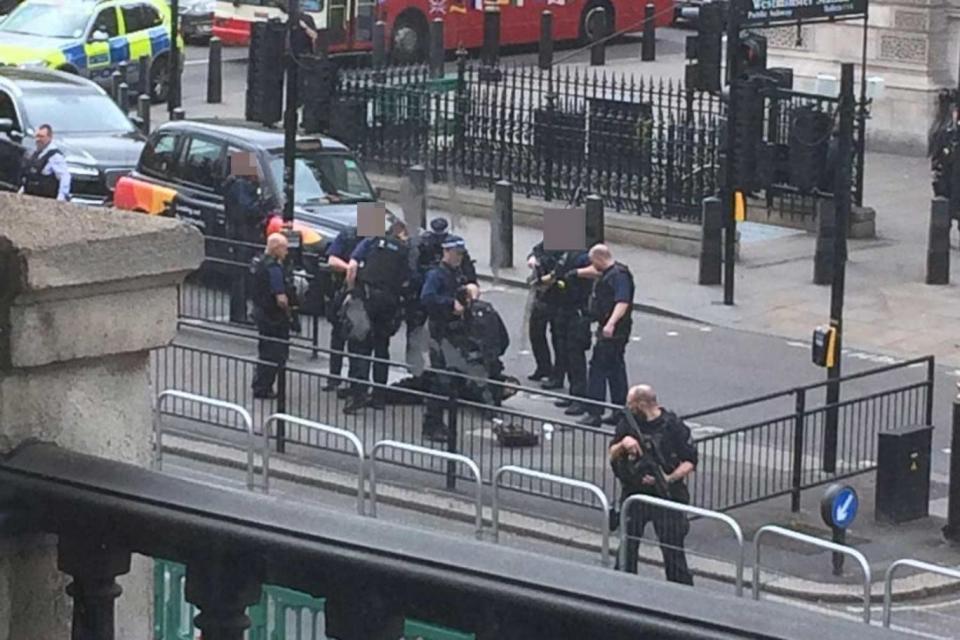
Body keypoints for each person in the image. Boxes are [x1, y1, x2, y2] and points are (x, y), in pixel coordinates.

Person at [610, 385, 697, 585]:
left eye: (631, 403)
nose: (628, 407)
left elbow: (690, 461)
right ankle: (622, 586)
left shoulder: (673, 426)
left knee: (673, 550)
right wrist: (624, 444)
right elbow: (612, 453)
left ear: (642, 404)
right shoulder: (628, 424)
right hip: (635, 495)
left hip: (667, 496)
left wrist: (667, 478)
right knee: (627, 547)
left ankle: (680, 592)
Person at [342, 219, 412, 413]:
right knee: (382, 348)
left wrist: (351, 291)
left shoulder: (371, 241)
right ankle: (379, 396)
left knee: (362, 346)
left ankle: (358, 394)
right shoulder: (403, 250)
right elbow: (407, 279)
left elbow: (352, 267)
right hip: (389, 302)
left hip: (367, 297)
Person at [568, 244, 635, 427]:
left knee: (598, 369)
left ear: (599, 258)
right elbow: (596, 273)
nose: (592, 266)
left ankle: (594, 412)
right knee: (616, 370)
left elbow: (622, 302)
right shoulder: (614, 272)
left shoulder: (618, 276)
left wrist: (611, 324)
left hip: (613, 331)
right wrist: (576, 272)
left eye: (592, 262)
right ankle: (620, 411)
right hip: (615, 330)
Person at [420, 235, 471, 442]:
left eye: (461, 254)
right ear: (446, 252)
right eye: (456, 253)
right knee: (441, 380)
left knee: (451, 380)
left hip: (455, 332)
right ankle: (432, 425)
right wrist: (450, 304)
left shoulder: (456, 272)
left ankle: (443, 423)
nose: (459, 257)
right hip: (440, 332)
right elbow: (427, 298)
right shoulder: (436, 274)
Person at [538, 248, 592, 415]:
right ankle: (572, 394)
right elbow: (557, 272)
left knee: (576, 356)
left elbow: (597, 271)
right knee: (566, 353)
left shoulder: (584, 255)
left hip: (577, 310)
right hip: (564, 307)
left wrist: (575, 273)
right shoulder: (566, 253)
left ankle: (580, 398)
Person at [251, 233, 295, 399]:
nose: (287, 252)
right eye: (284, 248)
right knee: (275, 353)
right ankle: (265, 387)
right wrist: (289, 312)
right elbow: (281, 298)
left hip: (262, 313)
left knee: (265, 350)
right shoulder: (274, 269)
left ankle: (260, 385)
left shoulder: (260, 263)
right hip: (274, 318)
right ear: (276, 249)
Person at [322, 225, 361, 393]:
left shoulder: (376, 240)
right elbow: (332, 260)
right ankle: (335, 377)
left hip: (362, 296)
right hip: (342, 292)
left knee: (356, 341)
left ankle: (353, 381)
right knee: (338, 337)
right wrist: (350, 270)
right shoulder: (349, 235)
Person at [525, 243, 559, 383]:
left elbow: (559, 267)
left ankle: (557, 375)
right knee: (536, 332)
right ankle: (543, 366)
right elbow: (536, 250)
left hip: (557, 295)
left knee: (558, 337)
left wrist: (540, 262)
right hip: (541, 294)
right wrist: (533, 258)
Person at [20, 124, 70, 201]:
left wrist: (61, 198)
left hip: (46, 200)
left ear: (49, 137)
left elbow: (65, 177)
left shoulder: (55, 156)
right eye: (37, 136)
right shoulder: (35, 154)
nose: (38, 139)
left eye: (41, 137)